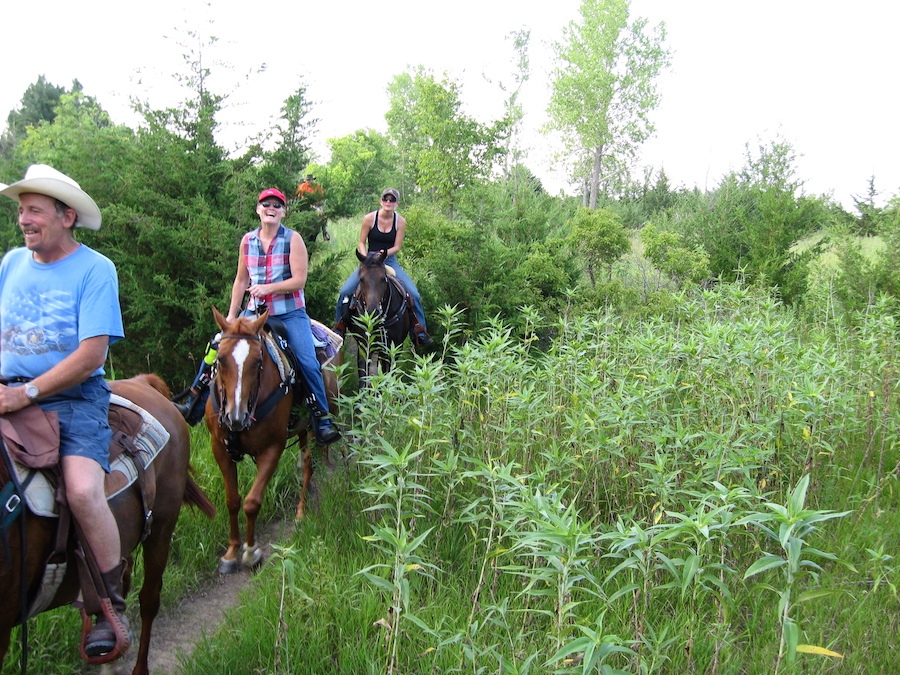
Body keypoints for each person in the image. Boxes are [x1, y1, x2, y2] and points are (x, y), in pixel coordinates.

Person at [0, 164, 129, 657]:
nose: (24, 220)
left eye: (34, 210)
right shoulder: (11, 263)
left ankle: (107, 606)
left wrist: (26, 394)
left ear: (66, 216)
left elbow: (92, 354)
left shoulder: (96, 270)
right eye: (21, 210)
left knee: (80, 489)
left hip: (72, 399)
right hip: (7, 391)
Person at [177, 188, 340, 445]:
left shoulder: (293, 239)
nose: (271, 208)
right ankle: (194, 403)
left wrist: (268, 288)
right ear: (258, 209)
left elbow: (299, 280)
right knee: (216, 347)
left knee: (307, 360)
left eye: (276, 205)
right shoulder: (247, 241)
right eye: (266, 204)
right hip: (252, 314)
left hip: (288, 314)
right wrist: (231, 316)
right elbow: (241, 279)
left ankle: (321, 418)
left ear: (283, 211)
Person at [333, 188, 432, 347]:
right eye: (385, 199)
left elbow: (397, 246)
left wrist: (384, 254)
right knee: (345, 291)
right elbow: (361, 242)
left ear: (397, 203)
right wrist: (366, 258)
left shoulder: (400, 221)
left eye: (392, 200)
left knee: (413, 293)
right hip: (369, 260)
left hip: (389, 260)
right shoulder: (369, 218)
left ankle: (419, 331)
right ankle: (338, 328)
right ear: (381, 201)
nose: (388, 202)